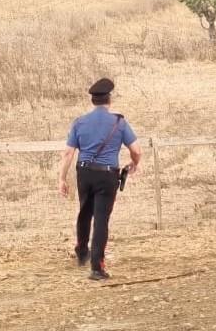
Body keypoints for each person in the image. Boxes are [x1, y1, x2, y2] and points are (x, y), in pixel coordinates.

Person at [58, 78, 142, 280]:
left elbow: (68, 153)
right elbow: (136, 150)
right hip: (107, 174)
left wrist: (61, 178)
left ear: (92, 101)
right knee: (101, 219)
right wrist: (134, 163)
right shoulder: (119, 123)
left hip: (84, 172)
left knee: (84, 212)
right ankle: (97, 267)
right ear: (109, 99)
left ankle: (82, 253)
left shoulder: (79, 122)